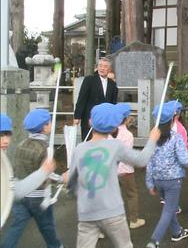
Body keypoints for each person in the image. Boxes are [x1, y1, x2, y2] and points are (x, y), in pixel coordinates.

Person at [65, 103, 160, 248]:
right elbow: (141, 160)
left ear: (90, 122)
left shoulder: (79, 149)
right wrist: (152, 140)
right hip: (112, 211)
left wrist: (71, 192)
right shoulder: (116, 146)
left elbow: (71, 183)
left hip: (86, 212)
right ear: (114, 127)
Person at [145, 101, 188, 248]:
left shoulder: (152, 138)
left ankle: (177, 232)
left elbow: (149, 162)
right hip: (173, 182)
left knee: (169, 207)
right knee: (168, 211)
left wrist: (150, 182)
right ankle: (154, 241)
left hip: (158, 180)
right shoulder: (176, 137)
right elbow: (184, 159)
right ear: (173, 119)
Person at [1, 109, 63, 248]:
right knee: (48, 228)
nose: (5, 140)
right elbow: (49, 174)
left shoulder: (21, 145)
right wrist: (61, 179)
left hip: (20, 199)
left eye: (7, 135)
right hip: (39, 197)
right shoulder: (45, 149)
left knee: (15, 228)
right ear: (45, 126)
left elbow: (14, 173)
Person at [114, 103, 146, 230]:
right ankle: (133, 220)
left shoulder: (109, 131)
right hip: (125, 170)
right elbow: (128, 155)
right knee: (131, 194)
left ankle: (100, 228)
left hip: (110, 169)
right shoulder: (127, 135)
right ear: (127, 118)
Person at [74, 57, 118, 141]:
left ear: (109, 69)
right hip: (89, 117)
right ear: (97, 67)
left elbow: (113, 103)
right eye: (100, 66)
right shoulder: (89, 80)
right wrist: (77, 116)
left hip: (105, 119)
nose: (102, 68)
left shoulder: (112, 84)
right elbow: (82, 98)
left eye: (105, 66)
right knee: (88, 141)